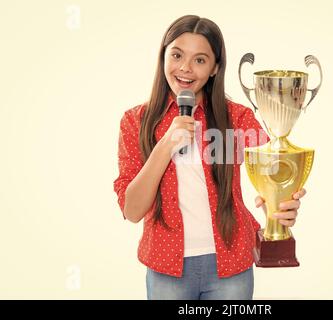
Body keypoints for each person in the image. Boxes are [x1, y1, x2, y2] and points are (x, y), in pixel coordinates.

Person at [113, 15, 307, 300]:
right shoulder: (135, 121)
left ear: (216, 67)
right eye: (177, 55)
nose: (185, 69)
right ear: (163, 56)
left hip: (230, 267)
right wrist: (165, 146)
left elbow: (272, 173)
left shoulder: (237, 118)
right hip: (167, 270)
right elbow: (132, 211)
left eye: (200, 60)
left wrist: (282, 203)